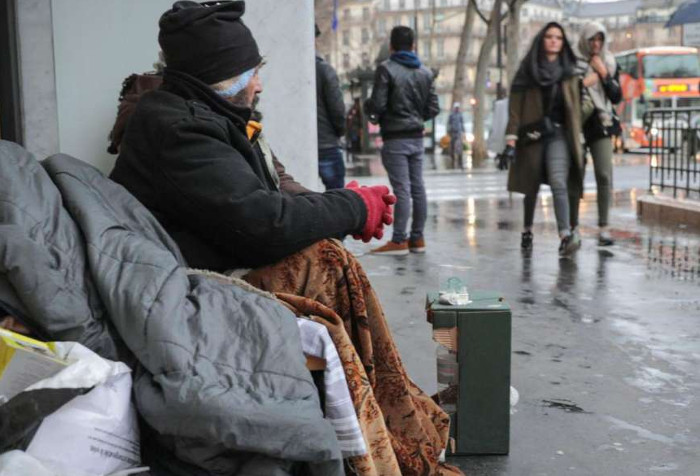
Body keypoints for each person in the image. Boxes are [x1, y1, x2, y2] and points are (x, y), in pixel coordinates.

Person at [110, 3, 460, 474]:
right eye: (250, 72)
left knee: (328, 257)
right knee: (326, 263)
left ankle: (392, 418)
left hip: (205, 268)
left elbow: (276, 193)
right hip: (182, 292)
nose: (258, 83)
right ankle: (382, 431)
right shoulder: (181, 130)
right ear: (219, 78)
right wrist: (353, 207)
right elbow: (263, 224)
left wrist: (346, 205)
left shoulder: (213, 116)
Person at [500, 22, 587, 256]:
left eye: (558, 37)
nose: (554, 41)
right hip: (532, 135)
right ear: (542, 39)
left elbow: (578, 108)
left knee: (559, 181)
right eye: (549, 36)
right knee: (531, 184)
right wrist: (510, 141)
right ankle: (527, 229)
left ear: (563, 42)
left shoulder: (569, 72)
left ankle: (565, 235)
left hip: (559, 135)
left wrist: (580, 138)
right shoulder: (527, 70)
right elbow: (515, 109)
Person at [364, 26, 439, 256]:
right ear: (413, 46)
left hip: (395, 137)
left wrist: (370, 110)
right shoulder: (425, 72)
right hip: (417, 137)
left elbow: (377, 104)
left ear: (391, 46)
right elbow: (434, 107)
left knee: (402, 190)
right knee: (418, 187)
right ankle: (418, 238)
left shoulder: (386, 69)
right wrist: (416, 119)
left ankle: (399, 240)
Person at [574, 22, 622, 246]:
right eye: (592, 39)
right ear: (584, 40)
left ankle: (604, 227)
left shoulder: (609, 61)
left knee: (604, 175)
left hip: (601, 123)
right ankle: (572, 227)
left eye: (599, 39)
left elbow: (616, 97)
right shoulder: (573, 61)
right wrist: (584, 83)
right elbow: (564, 93)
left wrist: (603, 73)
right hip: (576, 124)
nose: (596, 44)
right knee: (576, 175)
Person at [315, 24, 346, 190]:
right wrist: (340, 131)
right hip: (326, 143)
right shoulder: (324, 69)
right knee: (336, 195)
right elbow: (337, 109)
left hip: (300, 141)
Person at [447, 102, 465, 169]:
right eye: (456, 107)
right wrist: (448, 132)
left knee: (459, 148)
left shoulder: (460, 115)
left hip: (458, 133)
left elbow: (462, 123)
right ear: (454, 108)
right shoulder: (451, 115)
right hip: (452, 133)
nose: (457, 109)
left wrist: (463, 132)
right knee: (452, 147)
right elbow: (449, 123)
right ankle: (453, 160)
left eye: (458, 107)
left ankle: (460, 162)